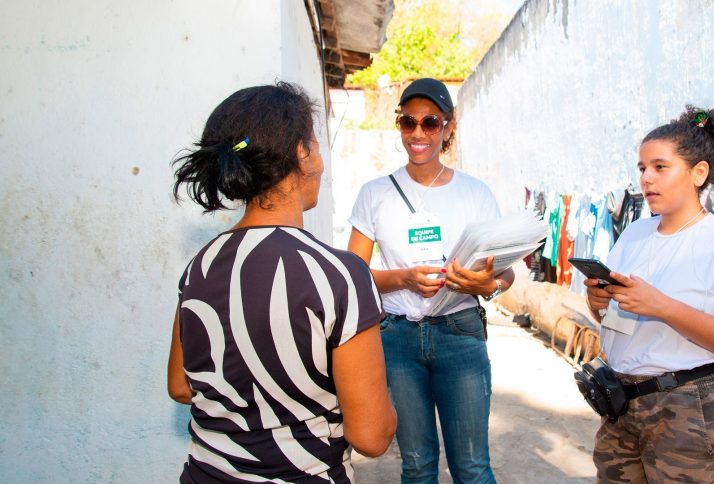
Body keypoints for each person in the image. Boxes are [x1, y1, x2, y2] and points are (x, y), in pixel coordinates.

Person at [167, 82, 396, 483]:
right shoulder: (338, 274)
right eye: (315, 142)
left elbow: (181, 387)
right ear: (301, 152)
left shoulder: (198, 268)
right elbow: (372, 437)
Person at [584, 106, 714, 483]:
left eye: (660, 167)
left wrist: (664, 307)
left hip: (693, 411)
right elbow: (617, 321)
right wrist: (598, 303)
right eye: (641, 168)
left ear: (698, 172)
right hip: (623, 405)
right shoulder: (635, 234)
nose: (646, 179)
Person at [347, 78, 512, 484]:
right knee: (417, 465)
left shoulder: (474, 193)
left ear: (449, 127)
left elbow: (505, 274)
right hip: (398, 339)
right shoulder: (375, 194)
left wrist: (481, 284)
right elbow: (351, 275)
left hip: (460, 333)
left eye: (430, 122)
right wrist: (403, 277)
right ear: (399, 125)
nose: (418, 133)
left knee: (472, 467)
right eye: (408, 122)